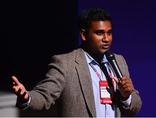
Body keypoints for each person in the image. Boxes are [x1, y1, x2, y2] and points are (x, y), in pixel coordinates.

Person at [11, 8, 142, 117]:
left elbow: (135, 106)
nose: (106, 39)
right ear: (84, 35)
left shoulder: (118, 61)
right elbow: (45, 95)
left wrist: (126, 97)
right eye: (99, 33)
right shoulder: (66, 64)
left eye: (109, 33)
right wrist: (27, 97)